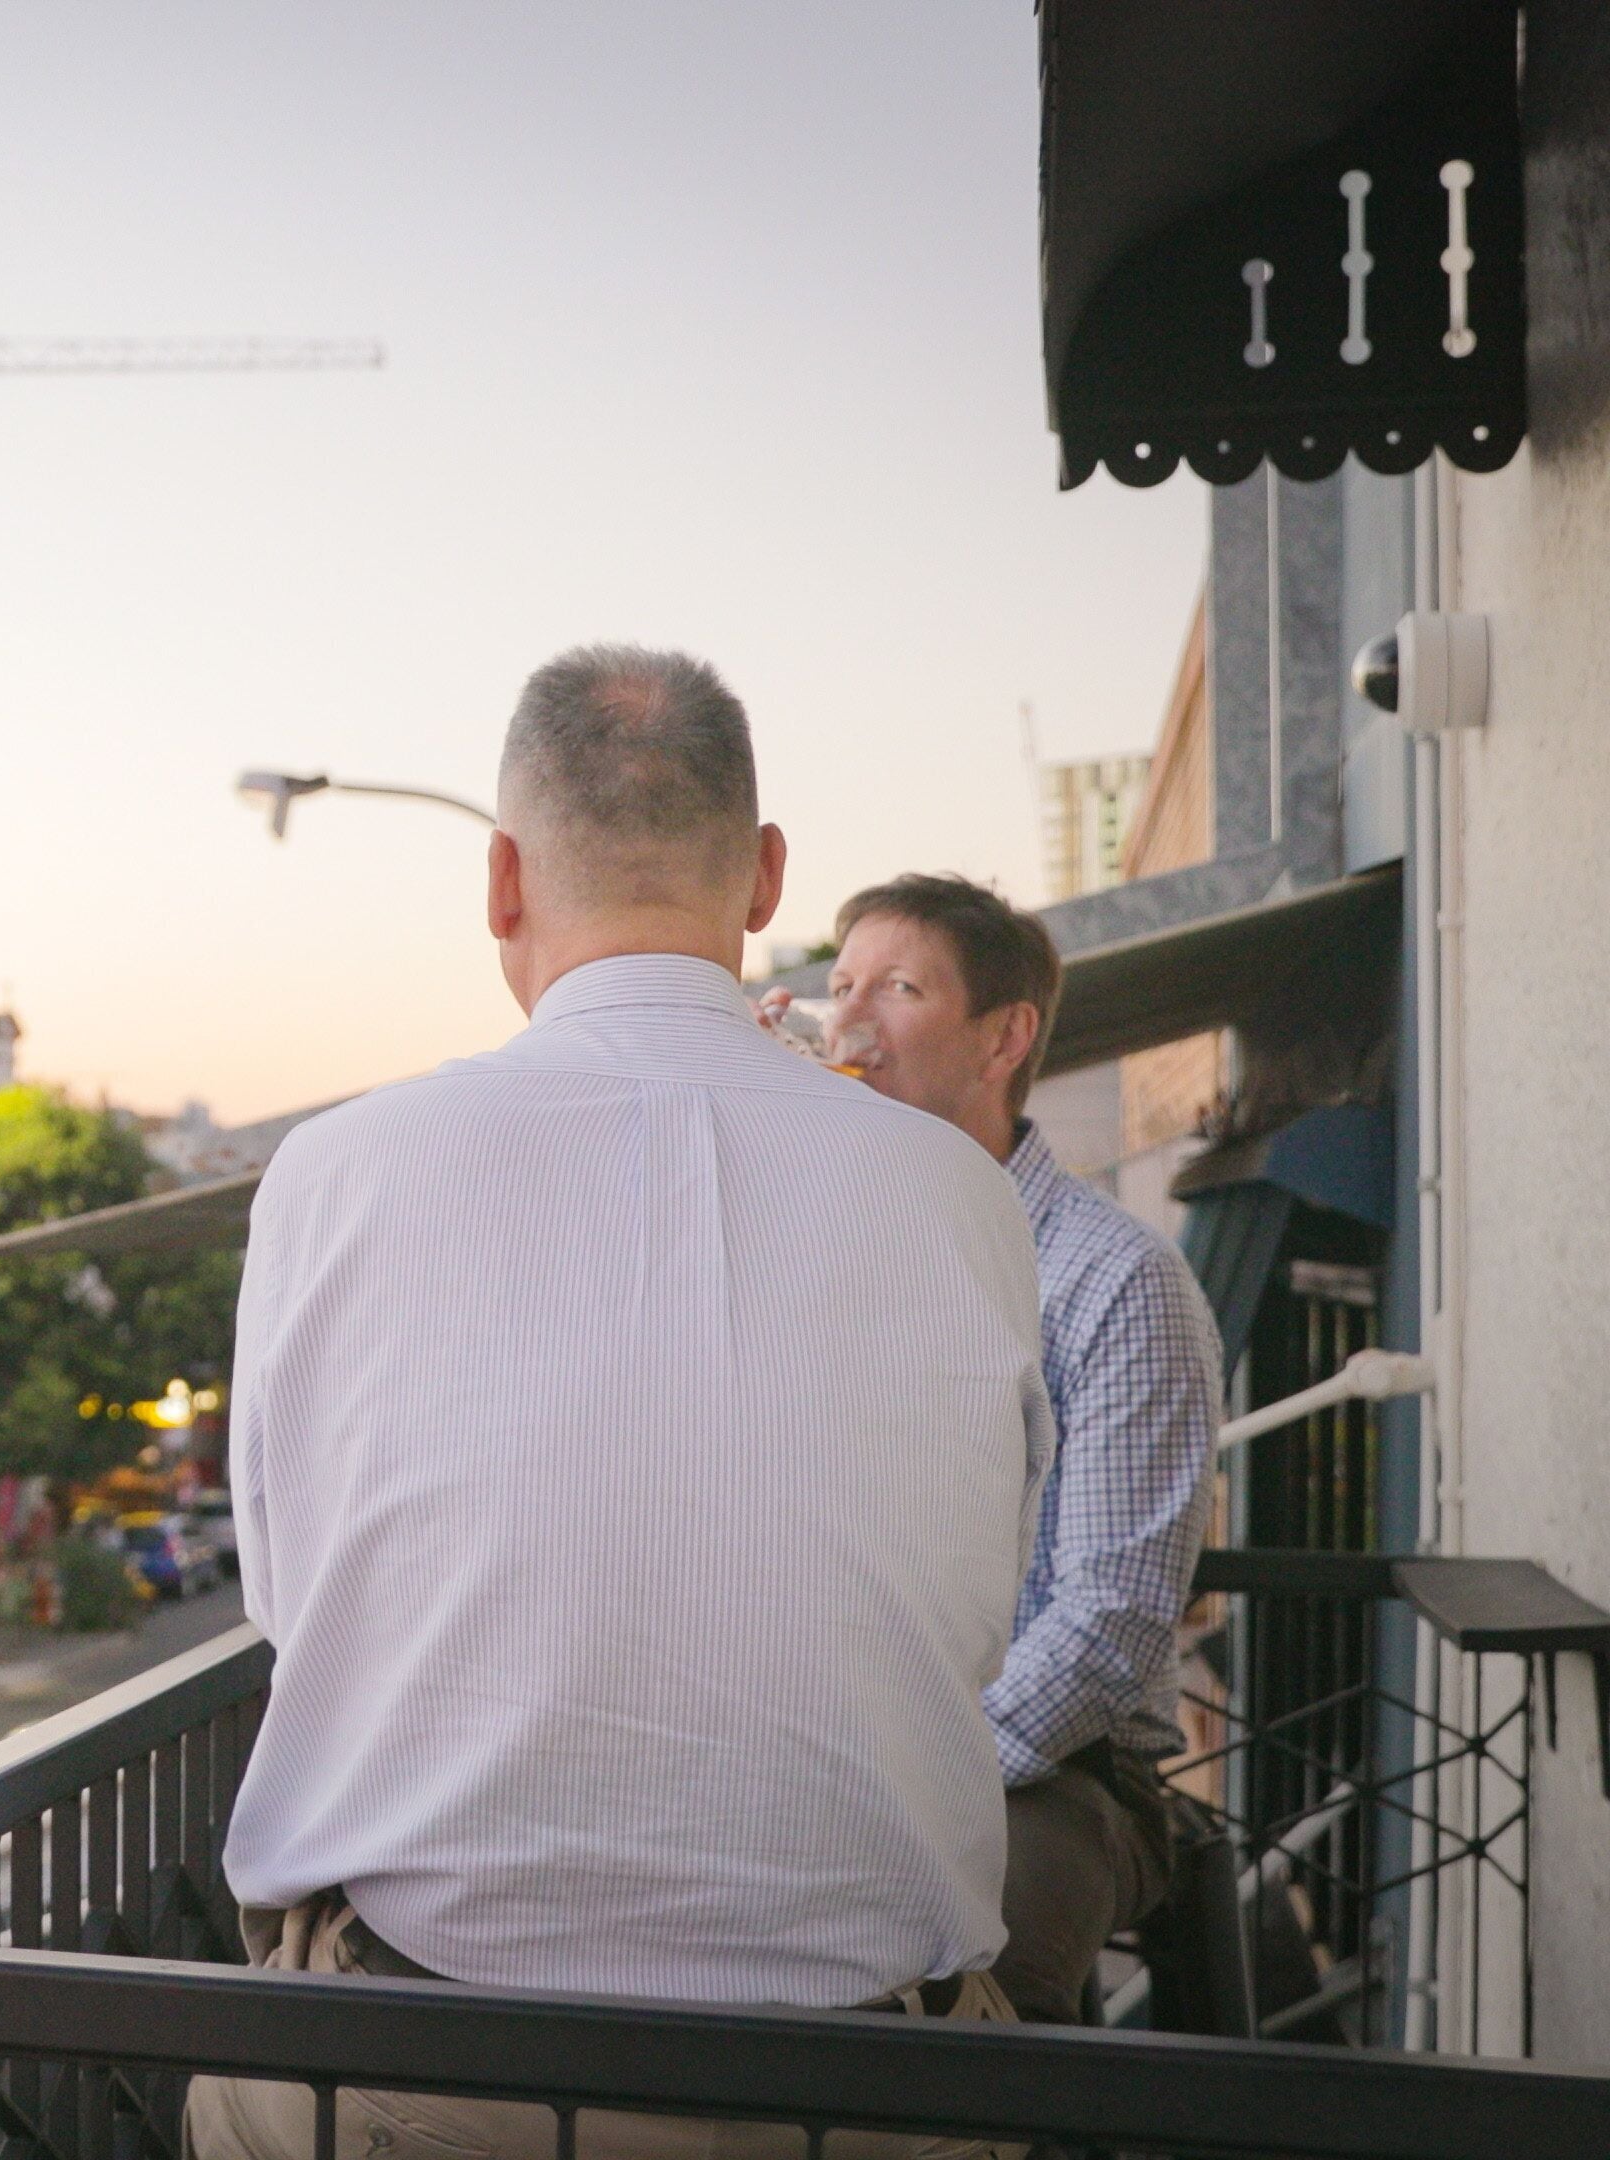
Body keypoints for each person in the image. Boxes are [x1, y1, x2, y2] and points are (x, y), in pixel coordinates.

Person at [188, 645, 1054, 2160]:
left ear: (502, 882)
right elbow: (982, 1602)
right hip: (874, 2082)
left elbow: (290, 1595)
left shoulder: (336, 1175)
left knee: (228, 2098)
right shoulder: (960, 1198)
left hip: (429, 2058)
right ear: (769, 876)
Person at [815, 874, 1219, 2025]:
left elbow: (1110, 1623)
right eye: (838, 986)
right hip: (833, 1731)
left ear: (1005, 1036)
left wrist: (912, 1777)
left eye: (898, 989)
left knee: (941, 1969)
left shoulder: (1117, 1283)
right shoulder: (824, 1246)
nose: (849, 1023)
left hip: (1055, 1772)